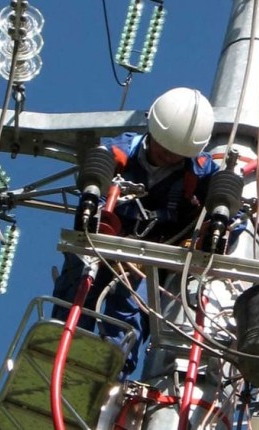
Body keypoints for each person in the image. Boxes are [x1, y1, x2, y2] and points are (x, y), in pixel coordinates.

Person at [51, 87, 219, 378]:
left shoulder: (200, 169)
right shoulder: (119, 151)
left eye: (177, 155)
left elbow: (228, 204)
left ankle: (109, 376)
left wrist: (216, 224)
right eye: (164, 149)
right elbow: (99, 170)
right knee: (80, 285)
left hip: (146, 261)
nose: (168, 157)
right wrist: (92, 199)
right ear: (152, 132)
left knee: (129, 313)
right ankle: (59, 361)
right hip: (104, 243)